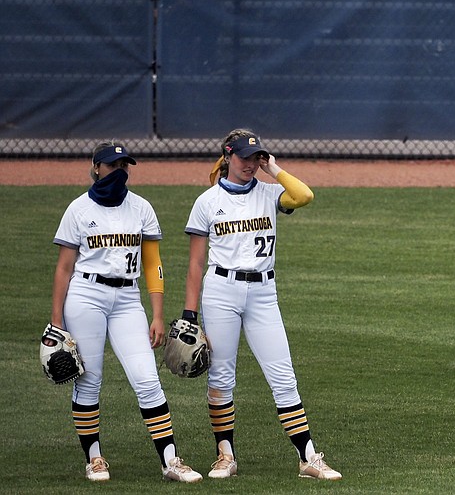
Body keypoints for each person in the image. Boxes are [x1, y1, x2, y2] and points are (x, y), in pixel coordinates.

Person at [182, 128, 341, 481]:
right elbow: (195, 263)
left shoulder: (270, 193)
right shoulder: (207, 202)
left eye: (256, 157)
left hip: (263, 294)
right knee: (222, 376)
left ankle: (308, 458)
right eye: (243, 157)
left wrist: (274, 168)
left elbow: (305, 195)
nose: (250, 164)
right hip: (221, 291)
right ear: (227, 156)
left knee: (283, 376)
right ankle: (225, 455)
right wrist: (189, 314)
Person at [49, 141, 202, 483]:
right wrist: (56, 321)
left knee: (148, 380)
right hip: (86, 295)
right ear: (96, 168)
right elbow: (64, 268)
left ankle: (170, 461)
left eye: (124, 166)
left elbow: (152, 264)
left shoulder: (141, 208)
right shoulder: (78, 210)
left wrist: (158, 314)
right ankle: (94, 459)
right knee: (89, 381)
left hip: (128, 300)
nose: (119, 172)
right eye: (112, 166)